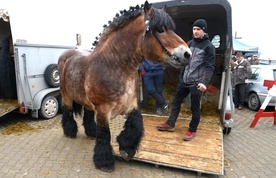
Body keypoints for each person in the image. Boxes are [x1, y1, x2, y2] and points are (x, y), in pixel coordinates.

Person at [156, 19, 216, 141]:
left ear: (203, 30)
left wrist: (204, 83)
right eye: (194, 29)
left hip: (196, 83)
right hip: (184, 81)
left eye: (198, 29)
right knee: (176, 102)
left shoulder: (209, 47)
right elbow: (185, 62)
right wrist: (181, 77)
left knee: (194, 108)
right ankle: (170, 124)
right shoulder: (189, 43)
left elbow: (210, 67)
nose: (195, 31)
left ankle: (192, 130)